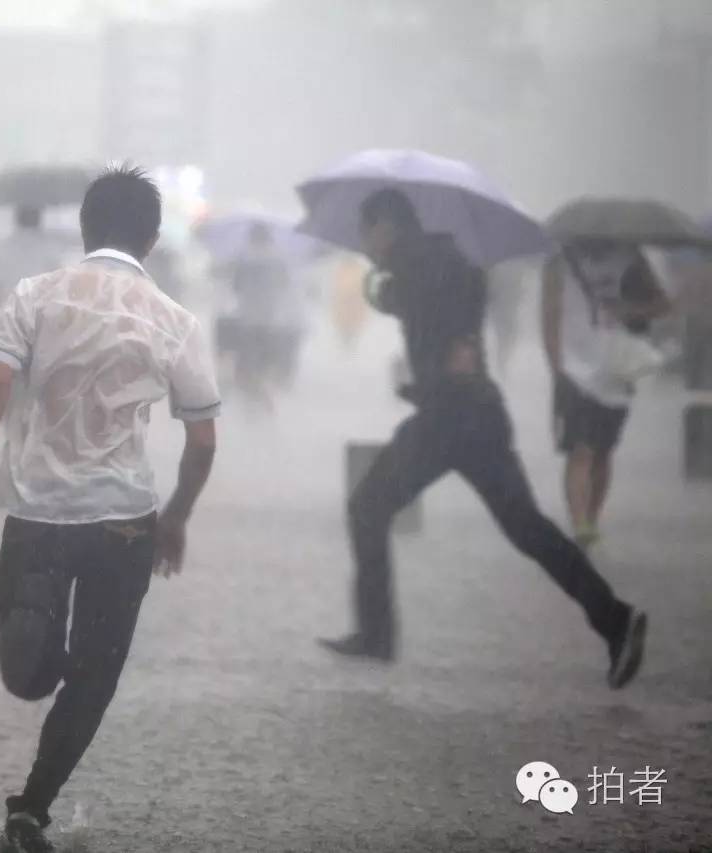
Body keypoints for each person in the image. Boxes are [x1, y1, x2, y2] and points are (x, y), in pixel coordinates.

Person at [0, 166, 220, 853]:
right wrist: (177, 516)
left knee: (28, 655)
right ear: (152, 239)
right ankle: (32, 806)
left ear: (84, 226)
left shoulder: (36, 295)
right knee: (97, 674)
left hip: (37, 507)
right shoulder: (175, 320)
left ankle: (37, 646)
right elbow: (203, 434)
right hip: (123, 516)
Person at [318, 188, 647, 691]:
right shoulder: (444, 258)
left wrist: (380, 290)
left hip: (451, 418)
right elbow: (440, 310)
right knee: (527, 528)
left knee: (368, 507)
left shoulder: (417, 263)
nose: (366, 243)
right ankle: (614, 618)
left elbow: (405, 303)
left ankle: (377, 634)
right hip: (473, 414)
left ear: (385, 227)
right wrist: (433, 362)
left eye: (367, 233)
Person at [542, 240, 671, 547]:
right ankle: (580, 524)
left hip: (616, 369)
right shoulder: (558, 262)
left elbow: (663, 305)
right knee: (580, 450)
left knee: (602, 450)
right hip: (574, 370)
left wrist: (629, 309)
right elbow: (549, 315)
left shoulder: (630, 258)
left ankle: (592, 517)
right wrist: (556, 368)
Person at [228, 223, 305, 403]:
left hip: (247, 317)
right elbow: (285, 285)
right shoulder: (278, 259)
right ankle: (264, 391)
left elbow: (236, 287)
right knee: (266, 359)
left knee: (248, 357)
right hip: (271, 318)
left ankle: (250, 390)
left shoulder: (243, 259)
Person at [0, 206, 60, 347]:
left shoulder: (1, 248)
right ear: (40, 220)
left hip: (9, 320)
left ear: (16, 219)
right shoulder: (50, 250)